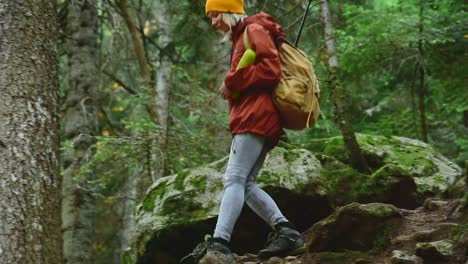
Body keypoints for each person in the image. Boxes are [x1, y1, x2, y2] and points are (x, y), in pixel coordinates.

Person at [193, 0, 306, 263]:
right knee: (246, 183)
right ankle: (287, 232)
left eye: (216, 14)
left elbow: (270, 70)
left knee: (233, 179)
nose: (213, 22)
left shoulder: (253, 29)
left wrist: (232, 80)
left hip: (256, 117)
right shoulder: (242, 35)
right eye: (210, 17)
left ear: (231, 10)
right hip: (254, 116)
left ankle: (220, 243)